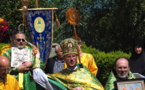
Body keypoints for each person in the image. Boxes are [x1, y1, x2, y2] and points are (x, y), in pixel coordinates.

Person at [33, 38, 104, 90]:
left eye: (73, 56)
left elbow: (99, 88)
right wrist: (36, 58)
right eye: (68, 57)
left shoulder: (85, 72)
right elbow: (40, 77)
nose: (71, 59)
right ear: (64, 58)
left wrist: (82, 88)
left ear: (76, 57)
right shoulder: (60, 76)